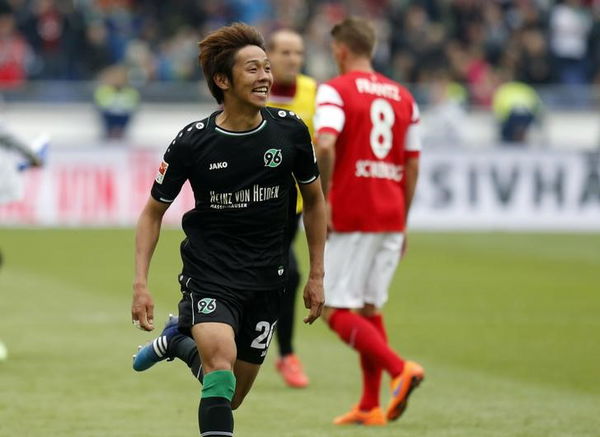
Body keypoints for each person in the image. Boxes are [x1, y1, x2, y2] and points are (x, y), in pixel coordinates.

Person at [130, 22, 327, 437]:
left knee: (229, 393)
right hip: (211, 272)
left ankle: (175, 342)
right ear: (223, 80)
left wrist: (316, 274)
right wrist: (140, 283)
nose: (266, 77)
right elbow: (152, 212)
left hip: (267, 275)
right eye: (253, 69)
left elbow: (313, 200)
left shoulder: (291, 131)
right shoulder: (193, 141)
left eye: (267, 68)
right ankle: (187, 340)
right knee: (219, 366)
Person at [313, 17, 425, 426]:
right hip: (391, 212)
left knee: (333, 309)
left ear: (340, 50)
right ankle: (369, 404)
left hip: (351, 212)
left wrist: (321, 202)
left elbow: (325, 143)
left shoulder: (335, 90)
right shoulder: (403, 96)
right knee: (368, 306)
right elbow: (412, 166)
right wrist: (404, 220)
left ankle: (400, 370)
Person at [266, 28, 317, 388]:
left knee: (284, 275)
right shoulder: (251, 88)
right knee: (287, 274)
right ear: (268, 55)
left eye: (297, 52)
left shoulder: (314, 93)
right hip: (252, 205)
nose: (292, 59)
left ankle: (283, 355)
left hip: (292, 207)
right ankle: (284, 355)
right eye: (284, 52)